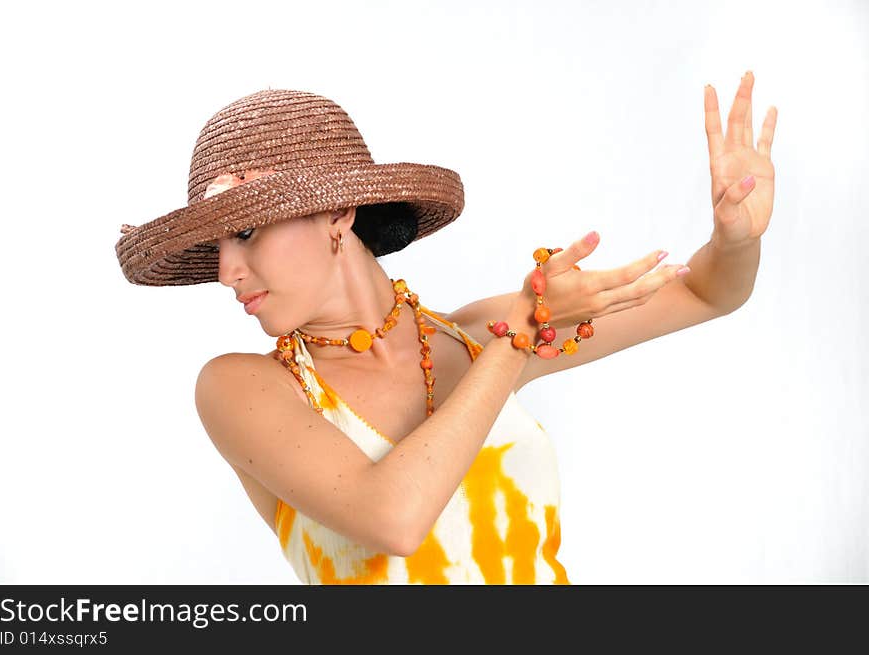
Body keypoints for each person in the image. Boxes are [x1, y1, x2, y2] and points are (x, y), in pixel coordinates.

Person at [115, 75, 777, 584]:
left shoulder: (471, 337)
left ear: (336, 212)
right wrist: (515, 339)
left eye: (247, 231)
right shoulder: (241, 387)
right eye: (217, 248)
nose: (229, 270)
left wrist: (734, 237)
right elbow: (394, 517)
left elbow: (703, 291)